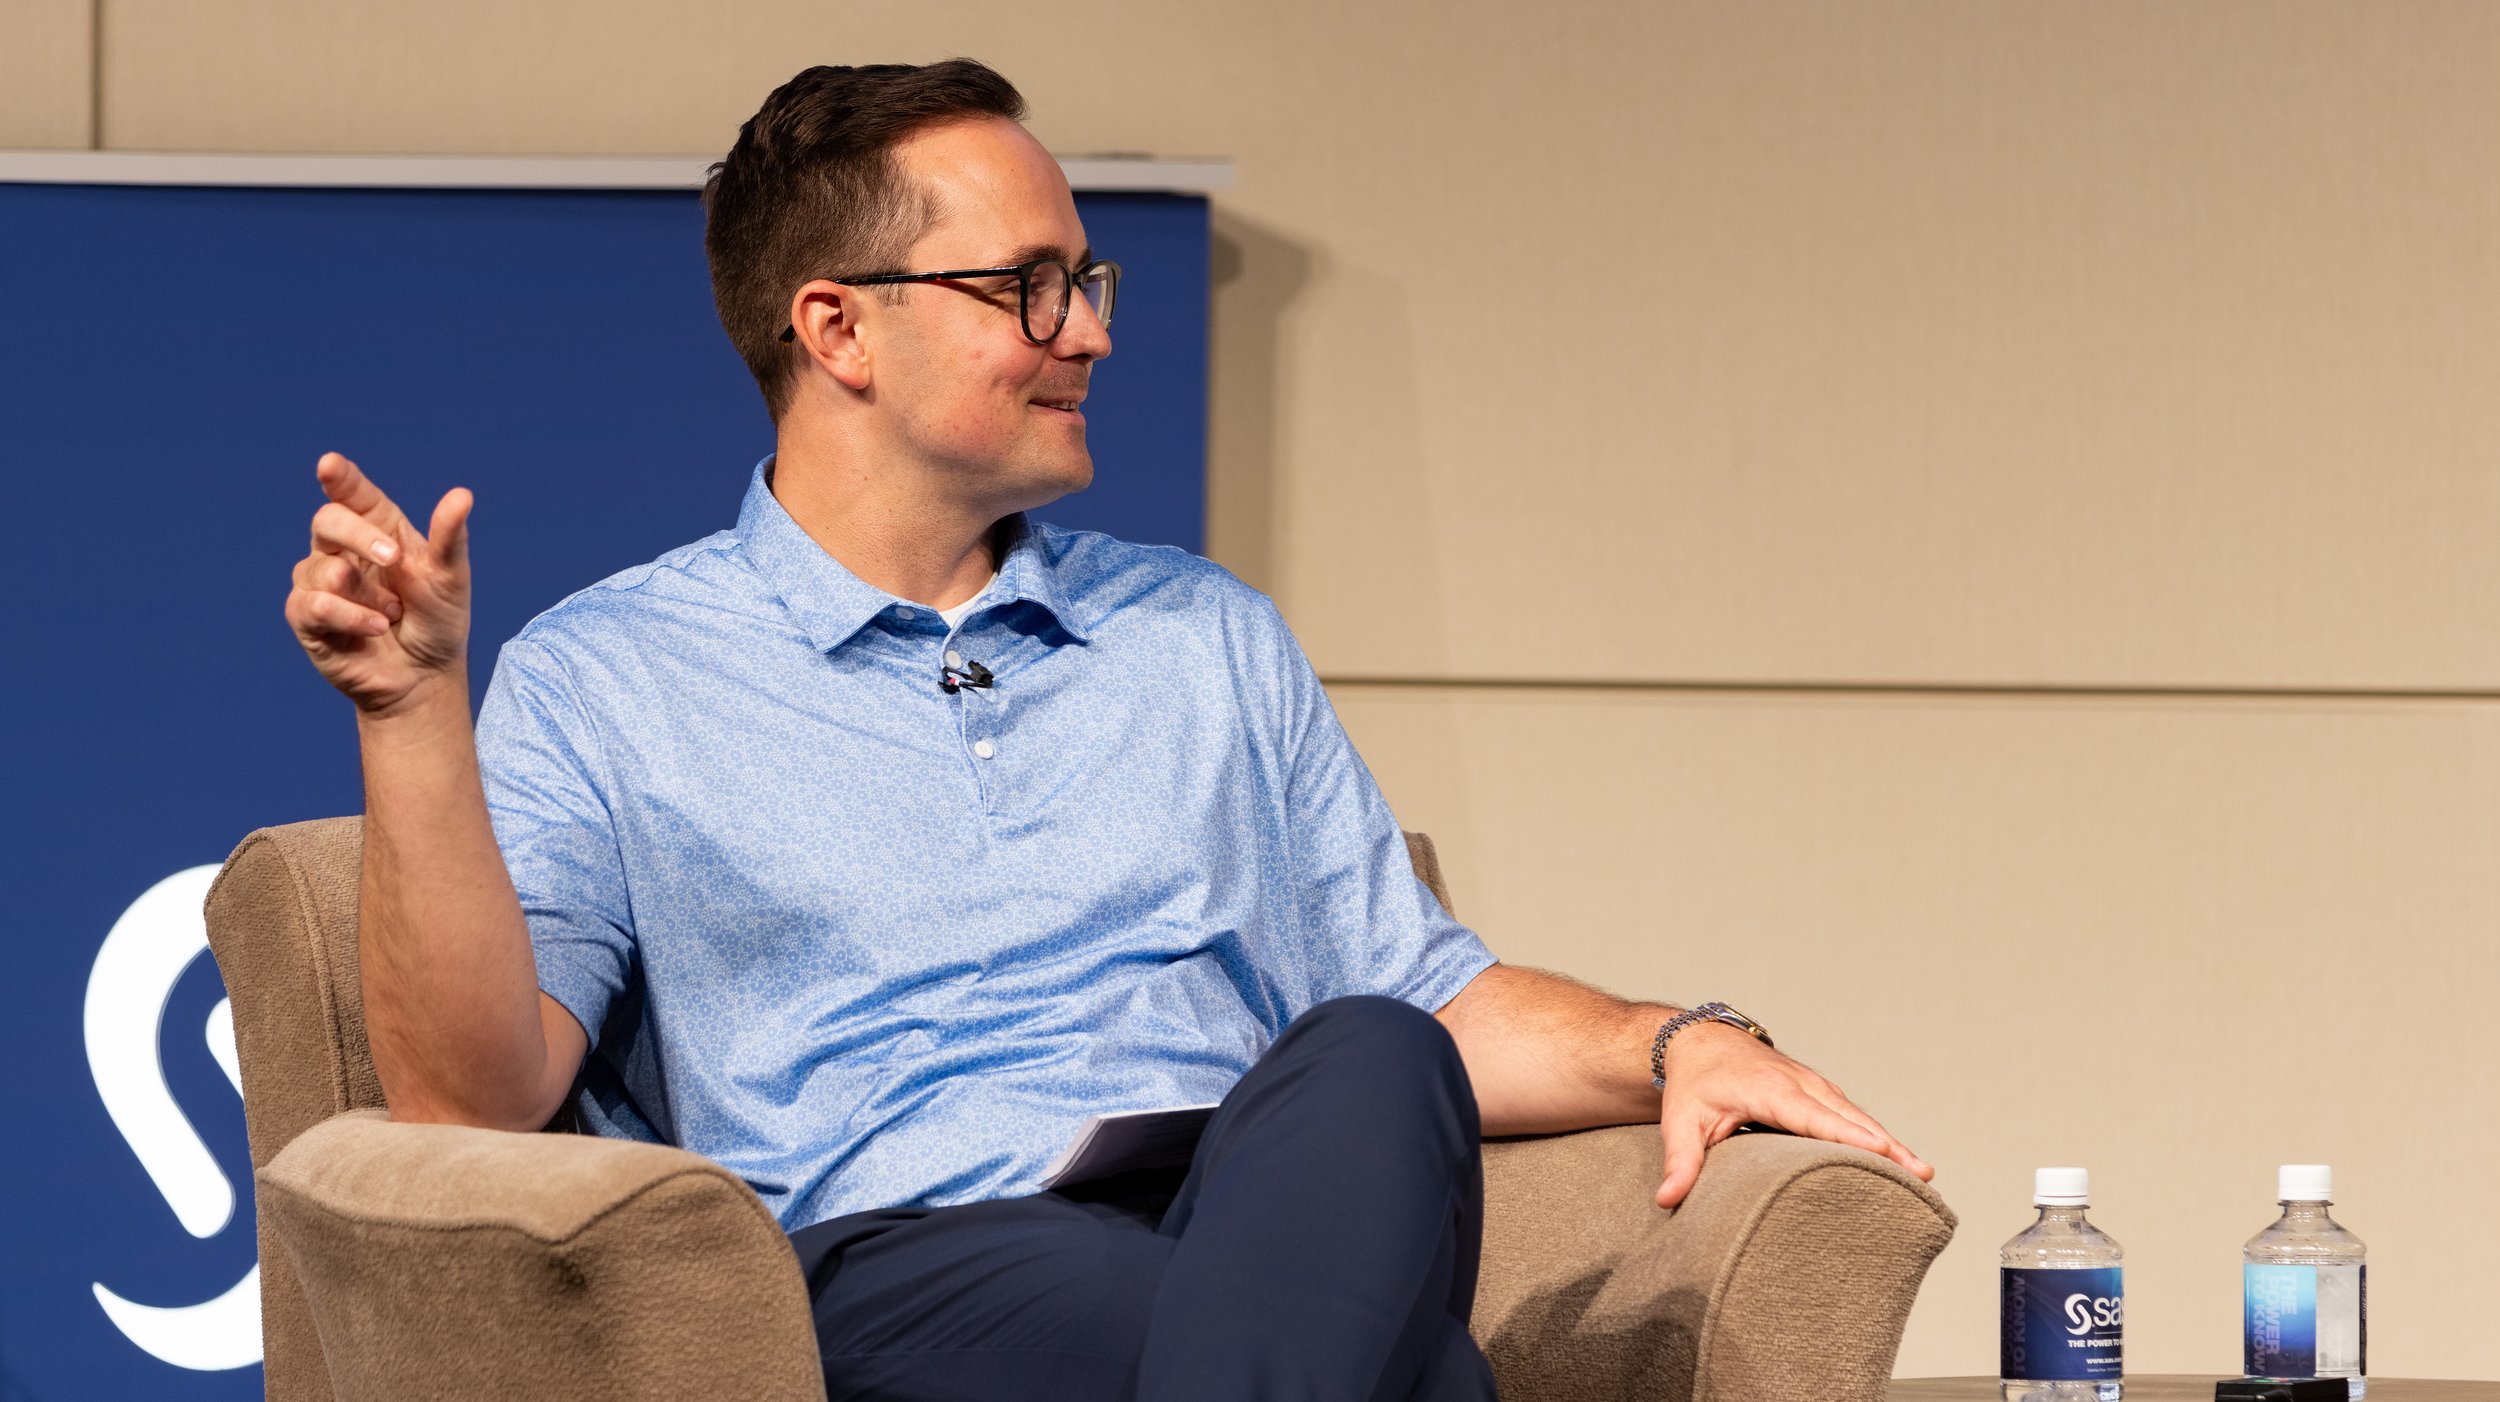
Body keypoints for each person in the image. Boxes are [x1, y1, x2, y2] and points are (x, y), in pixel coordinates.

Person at [281, 59, 1932, 1402]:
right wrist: (415, 712)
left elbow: (1427, 989)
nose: (1092, 331)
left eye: (1087, 279)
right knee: (1413, 1376)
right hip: (907, 1261)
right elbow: (468, 1106)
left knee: (1372, 1052)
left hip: (1254, 1210)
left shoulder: (1202, 635)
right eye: (1031, 287)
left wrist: (1673, 1040)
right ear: (837, 325)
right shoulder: (614, 674)